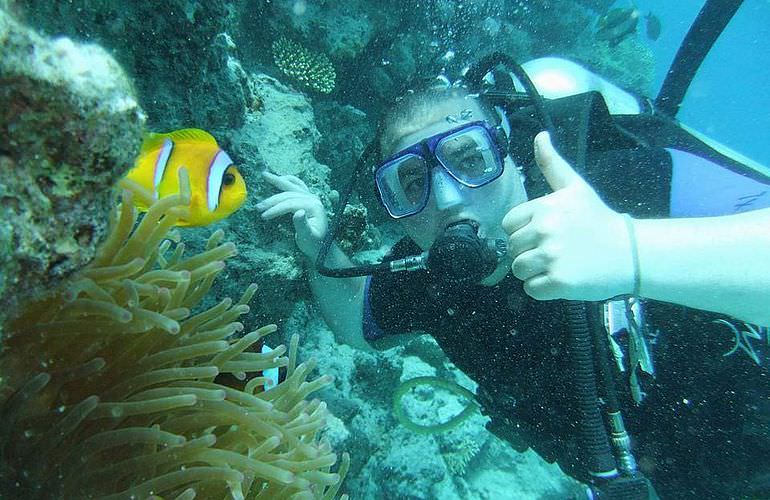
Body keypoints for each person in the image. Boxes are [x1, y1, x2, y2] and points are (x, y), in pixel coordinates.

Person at [257, 58, 770, 498]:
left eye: (469, 159)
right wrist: (318, 240)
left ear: (511, 157)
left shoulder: (636, 183)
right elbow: (356, 321)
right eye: (411, 182)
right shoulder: (430, 275)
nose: (448, 199)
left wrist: (628, 250)